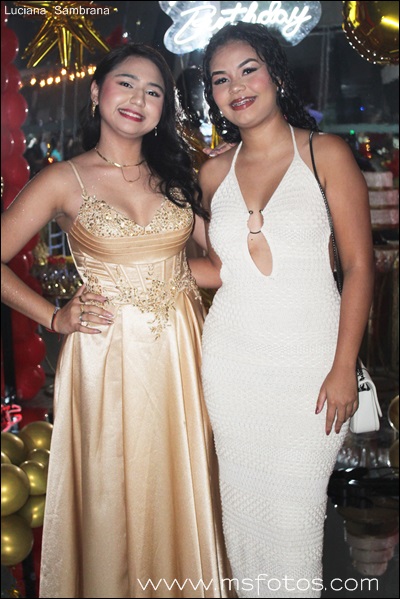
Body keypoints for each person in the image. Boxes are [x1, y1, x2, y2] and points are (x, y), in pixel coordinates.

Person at [1, 43, 234, 599]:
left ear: (163, 109)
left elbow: (225, 266)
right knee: (113, 492)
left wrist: (233, 176)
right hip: (105, 356)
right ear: (96, 91)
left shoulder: (176, 176)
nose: (138, 99)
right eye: (126, 83)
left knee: (181, 483)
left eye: (154, 91)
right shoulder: (63, 179)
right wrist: (53, 316)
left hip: (181, 354)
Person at [189, 22, 374, 598]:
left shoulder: (325, 153)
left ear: (275, 75)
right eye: (221, 79)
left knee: (295, 525)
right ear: (213, 96)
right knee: (242, 523)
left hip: (311, 370)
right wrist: (140, 266)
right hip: (232, 366)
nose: (237, 87)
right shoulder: (212, 173)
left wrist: (343, 367)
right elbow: (220, 269)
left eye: (248, 70)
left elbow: (360, 267)